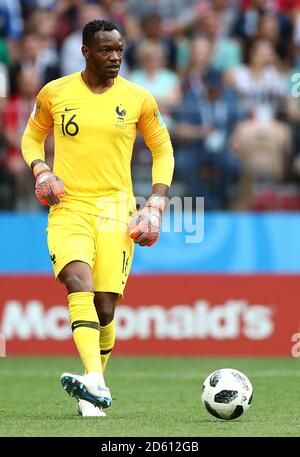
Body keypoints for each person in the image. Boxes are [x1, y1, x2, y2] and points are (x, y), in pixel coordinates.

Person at [21, 19, 174, 417]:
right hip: (68, 204)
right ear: (86, 51)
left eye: (120, 50)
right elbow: (32, 135)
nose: (115, 57)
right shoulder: (55, 92)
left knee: (105, 307)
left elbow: (163, 151)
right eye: (106, 50)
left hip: (115, 208)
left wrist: (155, 204)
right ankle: (94, 380)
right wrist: (41, 169)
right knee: (77, 281)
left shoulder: (139, 98)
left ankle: (93, 390)